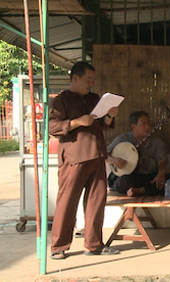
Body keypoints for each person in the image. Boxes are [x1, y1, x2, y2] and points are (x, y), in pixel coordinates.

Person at [48, 62, 120, 259]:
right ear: (75, 78)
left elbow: (102, 126)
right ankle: (59, 246)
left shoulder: (94, 98)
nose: (91, 83)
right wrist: (77, 121)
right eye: (88, 79)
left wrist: (109, 117)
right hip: (74, 157)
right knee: (68, 201)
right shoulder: (61, 100)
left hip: (97, 155)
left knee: (96, 200)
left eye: (93, 80)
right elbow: (52, 128)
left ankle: (94, 244)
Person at [107, 111, 170, 196]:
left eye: (148, 123)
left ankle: (140, 191)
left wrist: (161, 172)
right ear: (133, 126)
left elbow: (161, 158)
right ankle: (144, 190)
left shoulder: (156, 142)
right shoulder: (122, 139)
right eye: (143, 123)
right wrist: (114, 160)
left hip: (148, 177)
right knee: (122, 181)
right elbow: (104, 155)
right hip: (130, 176)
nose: (147, 126)